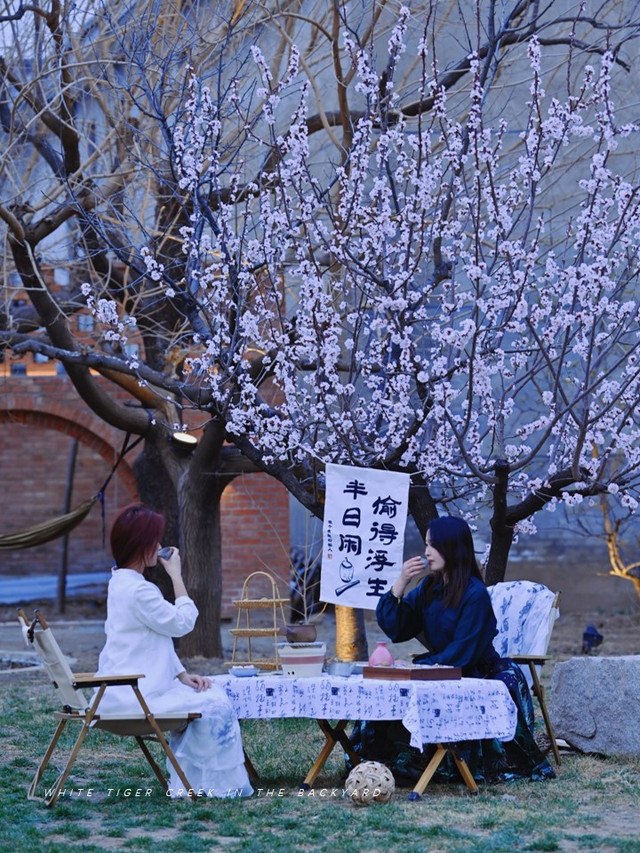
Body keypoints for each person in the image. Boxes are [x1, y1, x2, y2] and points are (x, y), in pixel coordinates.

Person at [358, 516, 555, 784]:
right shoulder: (429, 587)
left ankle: (440, 762)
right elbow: (398, 626)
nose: (427, 552)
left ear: (452, 547)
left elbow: (465, 650)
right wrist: (401, 582)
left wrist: (422, 667)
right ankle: (385, 759)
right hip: (443, 666)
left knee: (416, 682)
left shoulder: (475, 594)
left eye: (433, 545)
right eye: (427, 544)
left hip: (478, 671)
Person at [94, 503, 253, 798]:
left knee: (210, 695)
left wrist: (181, 675)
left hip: (122, 690)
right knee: (216, 703)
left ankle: (197, 777)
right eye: (154, 541)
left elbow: (151, 638)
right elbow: (182, 623)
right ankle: (209, 783)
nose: (159, 547)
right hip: (135, 696)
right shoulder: (139, 591)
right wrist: (176, 574)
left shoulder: (119, 583)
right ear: (140, 546)